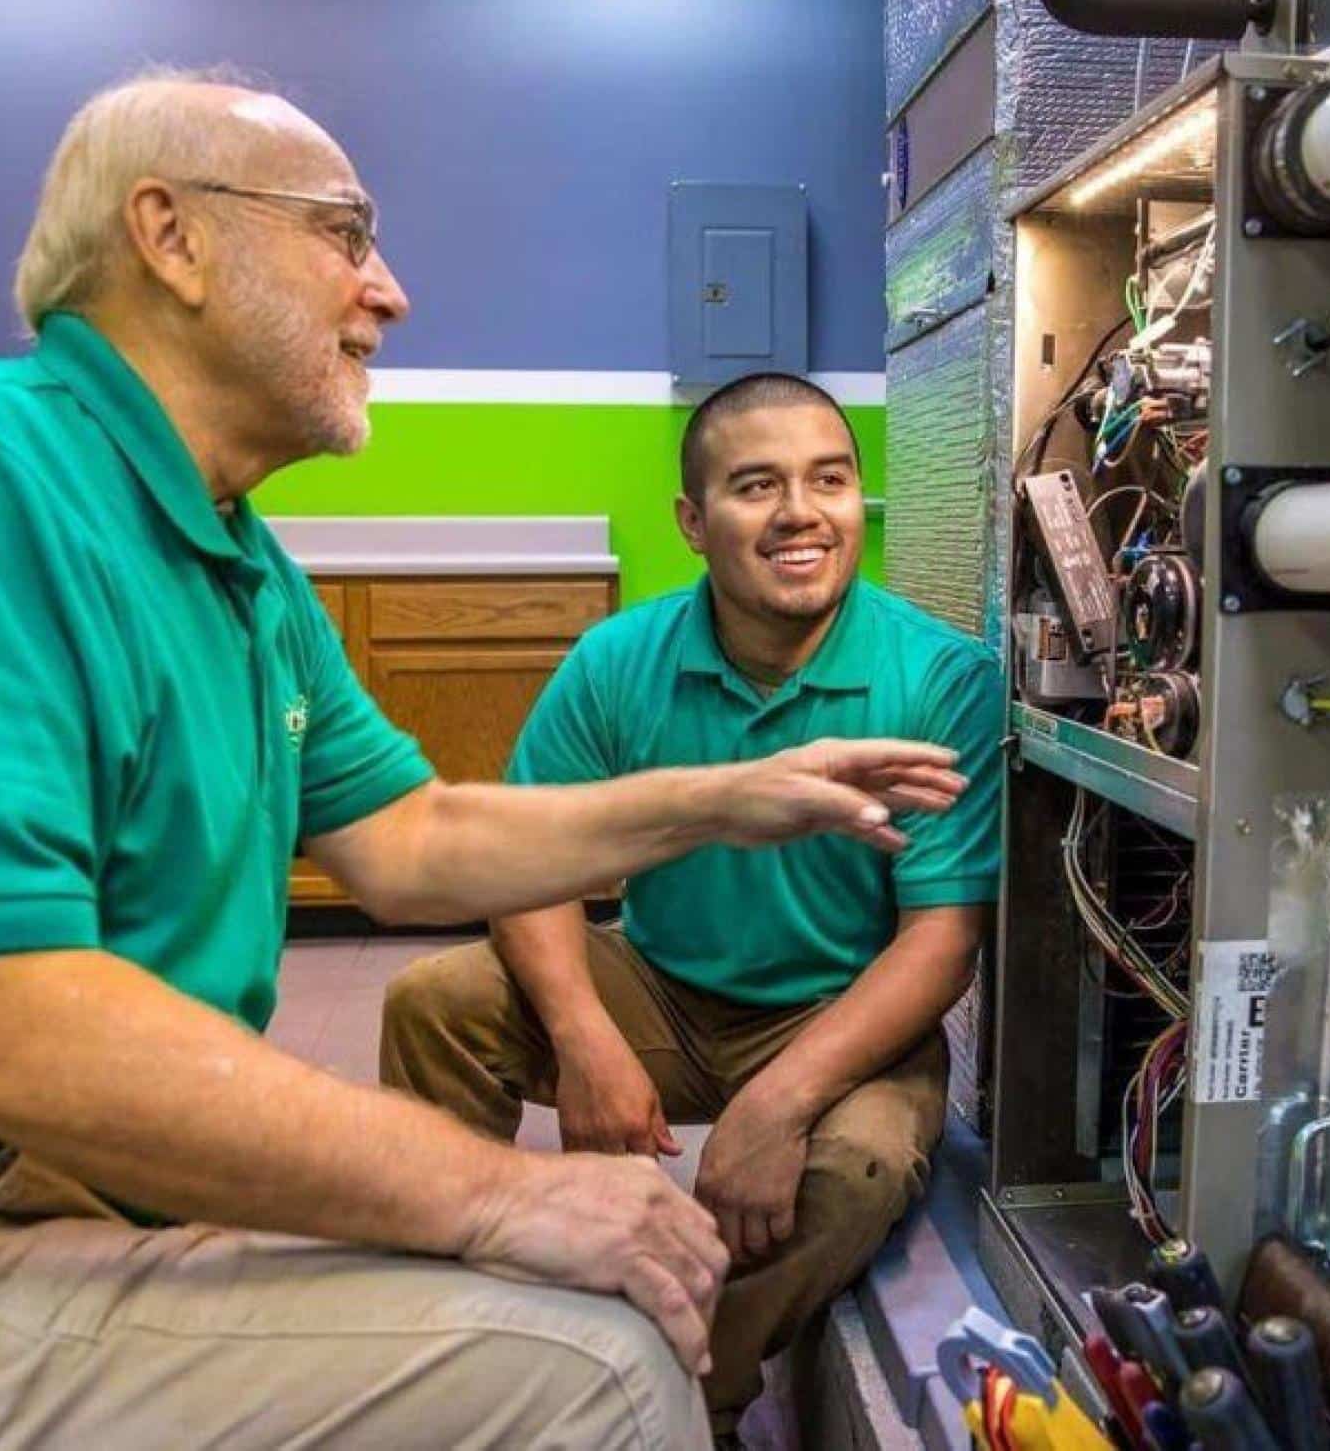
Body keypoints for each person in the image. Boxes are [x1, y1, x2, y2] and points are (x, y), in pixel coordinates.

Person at [0, 69, 971, 1449]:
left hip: (78, 1198)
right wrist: (503, 1193)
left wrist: (723, 800)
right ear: (171, 236)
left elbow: (413, 838)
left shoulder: (239, 566)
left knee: (566, 1310)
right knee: (602, 1371)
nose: (390, 292)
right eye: (343, 232)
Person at [381, 372, 1004, 1437]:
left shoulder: (941, 677)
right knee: (433, 1004)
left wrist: (775, 1106)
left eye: (829, 480)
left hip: (838, 1010)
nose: (800, 512)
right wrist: (585, 1038)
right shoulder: (619, 660)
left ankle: (680, 1385)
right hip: (660, 988)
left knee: (862, 1165)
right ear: (692, 520)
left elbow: (940, 943)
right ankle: (470, 1337)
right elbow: (527, 865)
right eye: (756, 486)